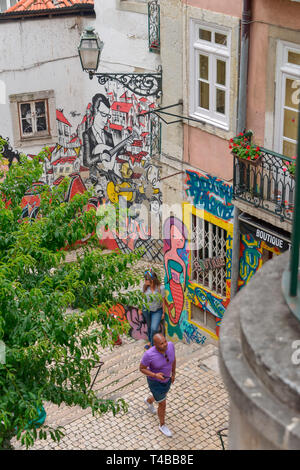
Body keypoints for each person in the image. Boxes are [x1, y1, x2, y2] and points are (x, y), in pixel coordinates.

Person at [139, 333, 176, 437]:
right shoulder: (149, 355)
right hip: (155, 382)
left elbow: (173, 360)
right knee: (162, 404)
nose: (165, 345)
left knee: (161, 396)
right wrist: (155, 375)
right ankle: (162, 425)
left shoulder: (171, 345)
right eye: (161, 343)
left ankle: (148, 400)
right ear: (155, 344)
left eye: (165, 342)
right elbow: (141, 368)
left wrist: (173, 373)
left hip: (167, 379)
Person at [138, 269, 165, 350]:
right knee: (149, 327)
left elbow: (163, 301)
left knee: (154, 328)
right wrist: (140, 308)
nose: (145, 281)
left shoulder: (161, 288)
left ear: (152, 280)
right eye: (145, 279)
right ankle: (150, 341)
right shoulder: (144, 288)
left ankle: (153, 346)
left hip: (157, 311)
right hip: (146, 310)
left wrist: (163, 313)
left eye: (147, 279)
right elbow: (141, 299)